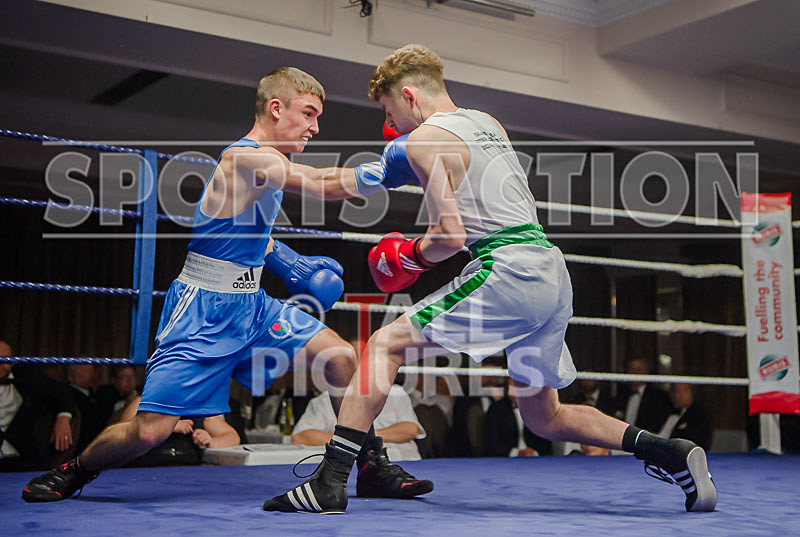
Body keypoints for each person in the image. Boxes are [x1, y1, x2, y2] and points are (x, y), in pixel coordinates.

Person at [265, 44, 717, 514]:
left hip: (508, 269)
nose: (391, 123)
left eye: (388, 109)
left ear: (408, 95)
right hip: (550, 270)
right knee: (546, 416)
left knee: (384, 345)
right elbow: (348, 180)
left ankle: (330, 481)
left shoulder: (420, 141)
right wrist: (280, 170)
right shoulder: (488, 123)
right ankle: (671, 452)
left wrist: (408, 257)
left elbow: (448, 236)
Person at [22, 67, 431, 503]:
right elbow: (319, 183)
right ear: (276, 108)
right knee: (150, 430)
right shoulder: (245, 158)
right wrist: (391, 166)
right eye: (308, 113)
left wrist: (290, 263)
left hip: (252, 305)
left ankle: (369, 464)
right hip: (203, 310)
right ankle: (74, 470)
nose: (315, 127)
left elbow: (248, 233)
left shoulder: (271, 164)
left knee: (340, 355)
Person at [292, 384, 424, 462]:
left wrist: (360, 438)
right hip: (349, 466)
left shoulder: (395, 393)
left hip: (401, 462)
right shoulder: (325, 399)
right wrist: (351, 441)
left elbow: (410, 429)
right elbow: (301, 436)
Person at [0, 341, 76, 471]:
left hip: (19, 458)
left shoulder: (25, 377)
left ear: (12, 362)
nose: (1, 365)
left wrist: (63, 418)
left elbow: (60, 391)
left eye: (6, 360)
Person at [616, 358, 673, 433]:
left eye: (639, 369)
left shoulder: (658, 396)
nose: (635, 373)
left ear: (646, 372)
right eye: (632, 369)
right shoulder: (622, 394)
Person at [659, 383, 712, 452]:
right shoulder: (669, 412)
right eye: (677, 391)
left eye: (685, 391)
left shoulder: (699, 416)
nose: (680, 395)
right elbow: (661, 437)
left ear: (692, 392)